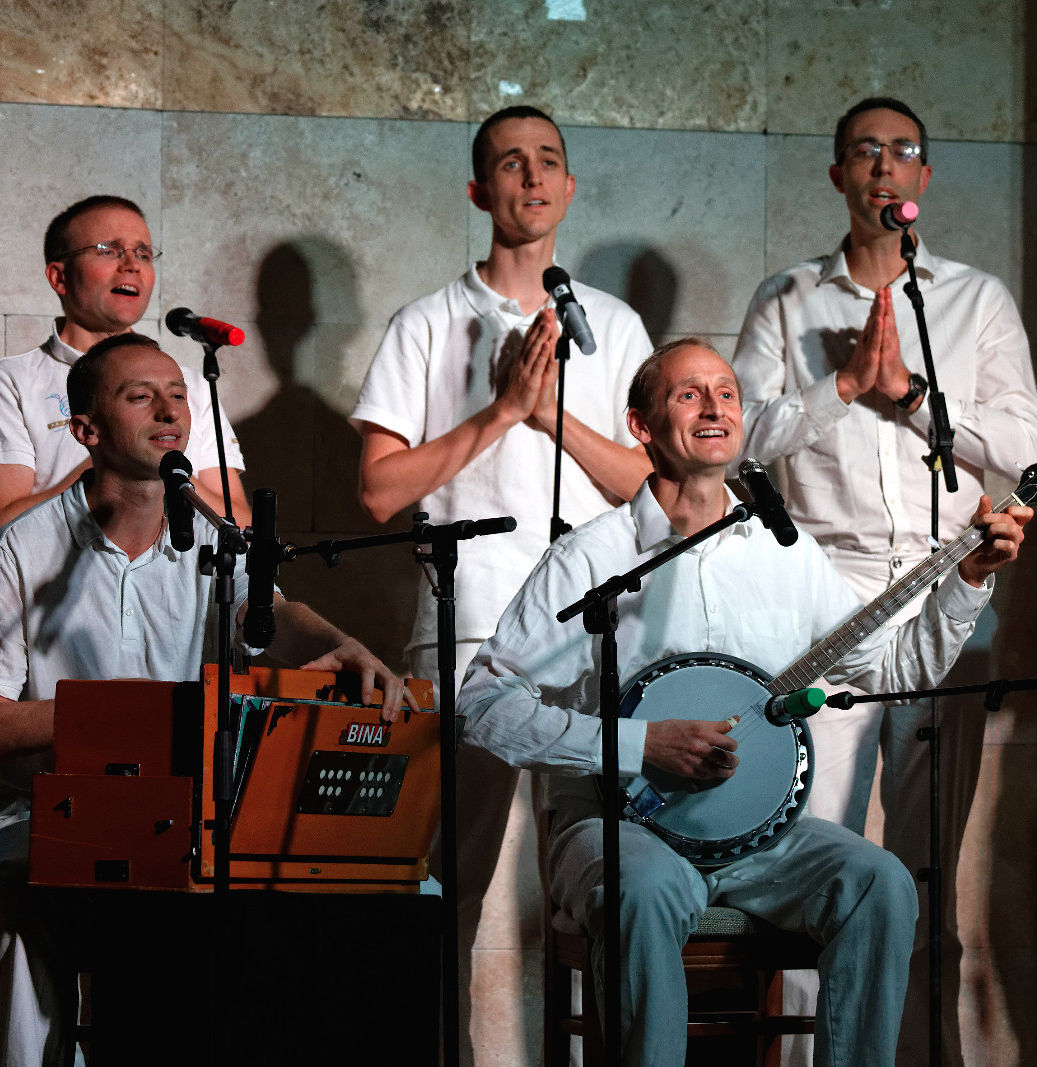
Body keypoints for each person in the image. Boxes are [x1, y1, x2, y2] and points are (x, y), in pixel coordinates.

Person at [452, 339, 1030, 1065]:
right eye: (688, 393)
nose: (715, 406)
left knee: (879, 882)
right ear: (640, 425)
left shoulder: (783, 550)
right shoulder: (591, 558)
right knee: (643, 887)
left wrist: (968, 582)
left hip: (764, 840)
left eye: (726, 392)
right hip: (618, 831)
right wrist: (641, 745)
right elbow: (483, 703)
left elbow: (892, 667)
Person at [0, 333, 413, 1066]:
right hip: (47, 810)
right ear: (87, 431)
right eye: (140, 396)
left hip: (185, 815)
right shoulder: (25, 548)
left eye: (178, 395)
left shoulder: (214, 541)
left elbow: (272, 614)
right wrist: (132, 716)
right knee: (16, 889)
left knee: (318, 890)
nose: (169, 412)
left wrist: (344, 643)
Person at [729, 95, 1037, 1058]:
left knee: (925, 865)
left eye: (902, 150)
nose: (883, 165)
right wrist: (843, 389)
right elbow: (740, 440)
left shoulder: (976, 299)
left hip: (951, 584)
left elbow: (1024, 448)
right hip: (824, 594)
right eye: (864, 150)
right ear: (838, 175)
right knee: (806, 854)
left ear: (923, 177)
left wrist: (908, 395)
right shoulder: (787, 297)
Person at [349, 105, 654, 1061]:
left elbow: (650, 484)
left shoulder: (614, 325)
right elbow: (379, 490)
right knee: (449, 876)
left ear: (570, 187)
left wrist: (551, 415)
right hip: (470, 625)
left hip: (595, 632)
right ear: (480, 191)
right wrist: (502, 412)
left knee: (605, 874)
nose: (532, 177)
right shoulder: (427, 322)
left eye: (548, 161)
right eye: (511, 164)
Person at [0, 195, 249, 539]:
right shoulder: (11, 380)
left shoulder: (190, 384)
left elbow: (240, 525)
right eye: (108, 251)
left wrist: (170, 469)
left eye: (143, 253)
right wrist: (112, 461)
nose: (132, 265)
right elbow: (2, 529)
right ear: (59, 277)